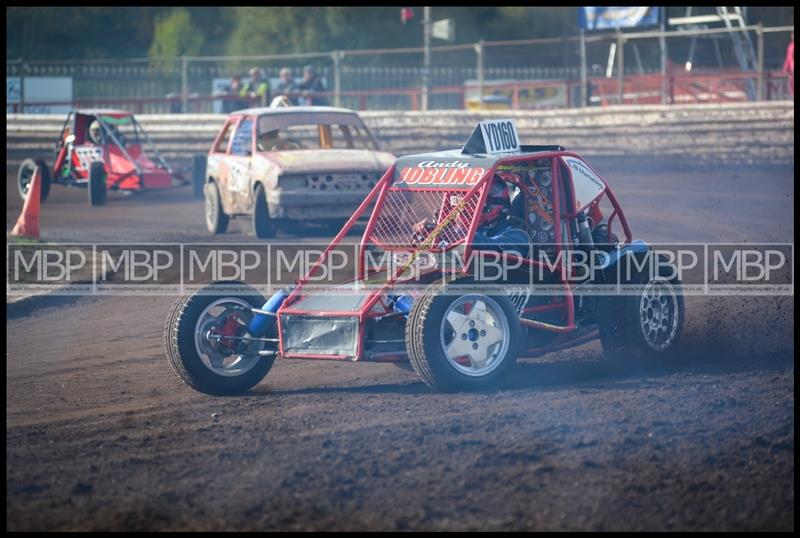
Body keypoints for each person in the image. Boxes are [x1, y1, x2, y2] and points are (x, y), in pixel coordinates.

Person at [783, 32, 794, 96]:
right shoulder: (790, 47)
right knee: (791, 83)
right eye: (792, 35)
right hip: (791, 70)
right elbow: (788, 58)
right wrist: (785, 68)